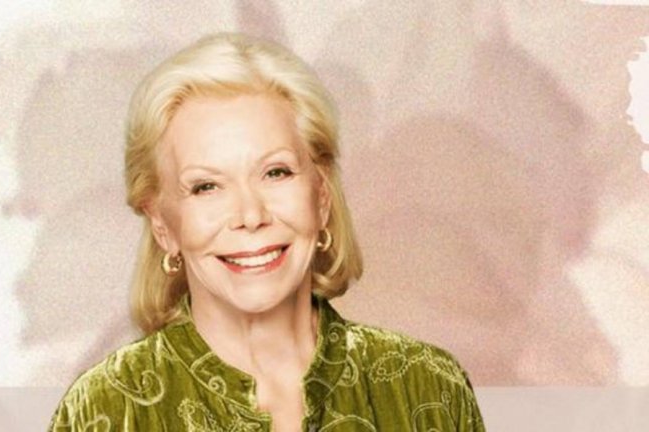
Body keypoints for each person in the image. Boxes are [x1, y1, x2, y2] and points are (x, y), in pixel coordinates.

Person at [48, 32, 485, 431]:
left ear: (321, 196)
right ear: (163, 227)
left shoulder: (428, 389)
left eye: (276, 172)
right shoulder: (104, 411)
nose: (250, 214)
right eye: (206, 187)